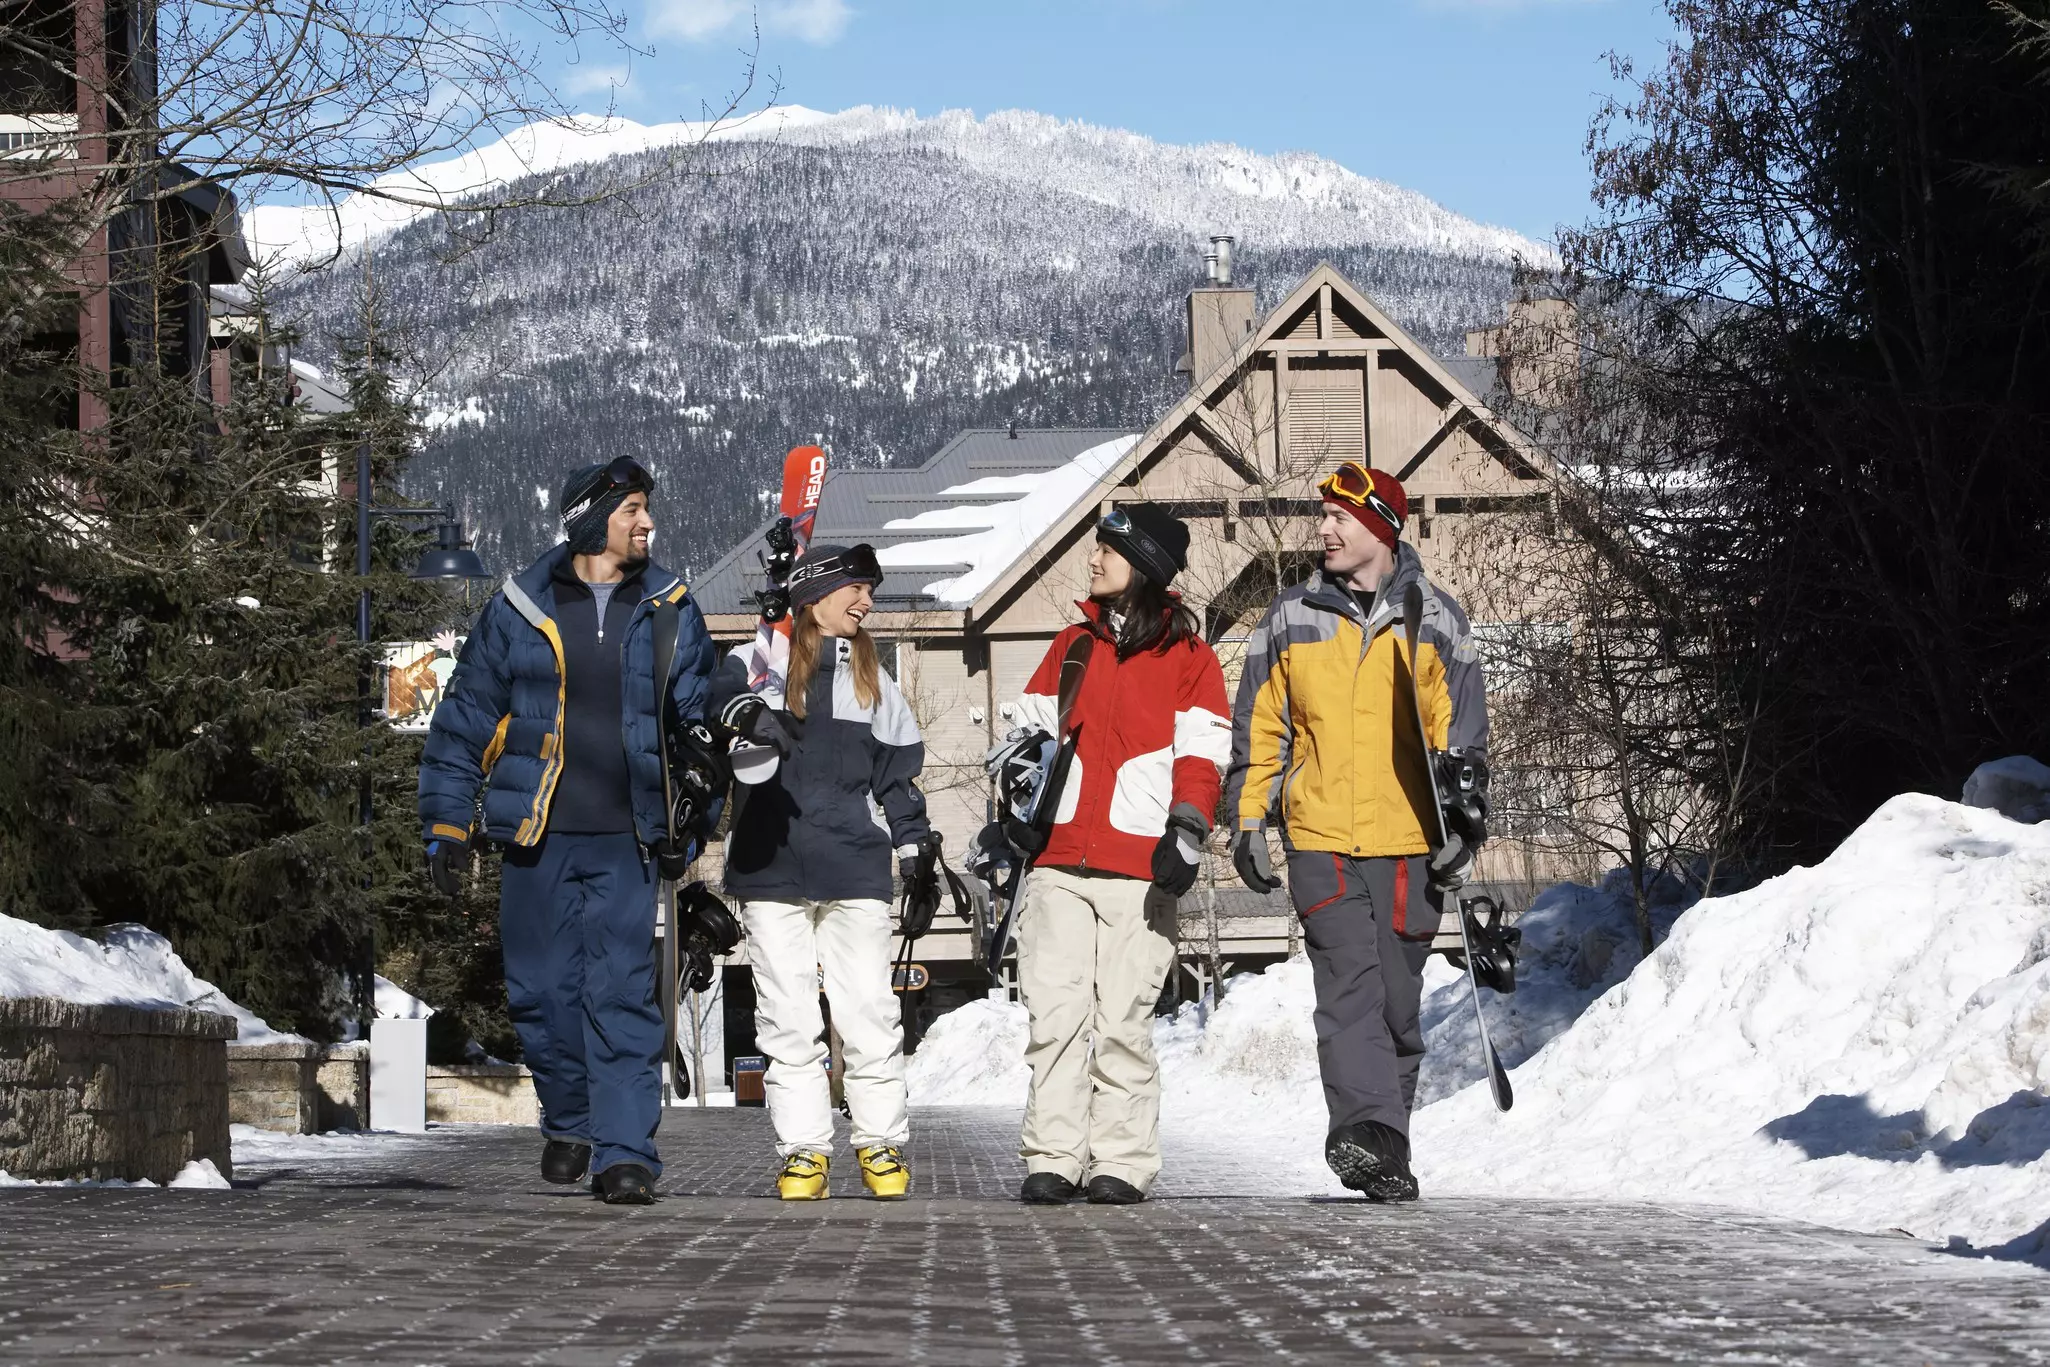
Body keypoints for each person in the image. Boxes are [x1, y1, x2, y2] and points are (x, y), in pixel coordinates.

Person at [418, 457, 714, 1206]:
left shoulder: (672, 607)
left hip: (626, 839)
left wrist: (694, 820)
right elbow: (464, 720)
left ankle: (625, 1153)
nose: (647, 524)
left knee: (619, 992)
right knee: (542, 992)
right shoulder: (518, 607)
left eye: (647, 510)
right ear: (593, 519)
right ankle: (574, 1119)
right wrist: (449, 824)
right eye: (633, 511)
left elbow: (696, 734)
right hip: (534, 835)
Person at [1223, 462, 1489, 1202]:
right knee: (1349, 987)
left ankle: (1384, 1149)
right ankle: (1363, 1129)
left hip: (1410, 842)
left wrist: (1466, 820)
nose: (1323, 529)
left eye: (1338, 517)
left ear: (1380, 527)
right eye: (1322, 516)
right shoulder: (1290, 618)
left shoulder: (1436, 619)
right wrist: (1249, 819)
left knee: (1398, 1006)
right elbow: (1261, 729)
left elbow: (1461, 737)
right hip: (1322, 837)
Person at [997, 504, 1231, 1206]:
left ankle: (1122, 1161)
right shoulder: (1071, 644)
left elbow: (1203, 755)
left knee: (1123, 1019)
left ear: (1147, 567)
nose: (1093, 560)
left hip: (1141, 866)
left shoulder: (1190, 660)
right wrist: (1019, 803)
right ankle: (1054, 1154)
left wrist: (1186, 832)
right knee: (1057, 1013)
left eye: (1107, 550)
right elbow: (1025, 739)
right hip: (1060, 862)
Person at [713, 543, 931, 1201]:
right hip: (769, 865)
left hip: (855, 865)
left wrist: (917, 851)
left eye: (869, 591)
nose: (867, 602)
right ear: (816, 597)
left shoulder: (876, 681)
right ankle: (805, 1153)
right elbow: (715, 690)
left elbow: (899, 779)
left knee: (868, 1011)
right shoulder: (763, 665)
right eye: (856, 590)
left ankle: (879, 1143)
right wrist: (745, 696)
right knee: (787, 1018)